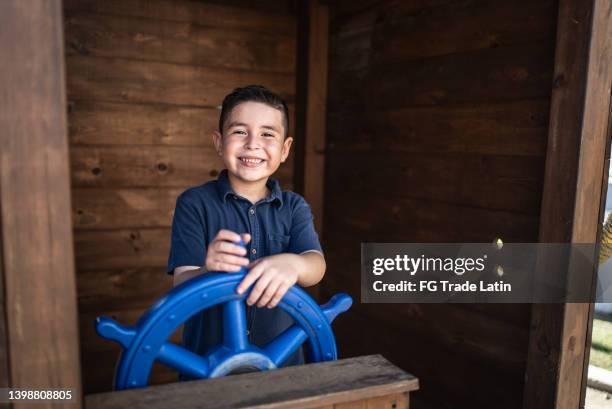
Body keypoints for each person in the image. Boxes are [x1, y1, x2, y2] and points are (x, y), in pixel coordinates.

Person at [166, 84, 326, 377]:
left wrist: (295, 263)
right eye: (240, 131)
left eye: (267, 134)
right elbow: (182, 282)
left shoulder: (294, 207)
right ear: (218, 142)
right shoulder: (194, 203)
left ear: (285, 149)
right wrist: (207, 270)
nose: (253, 143)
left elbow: (316, 265)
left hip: (282, 370)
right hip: (208, 371)